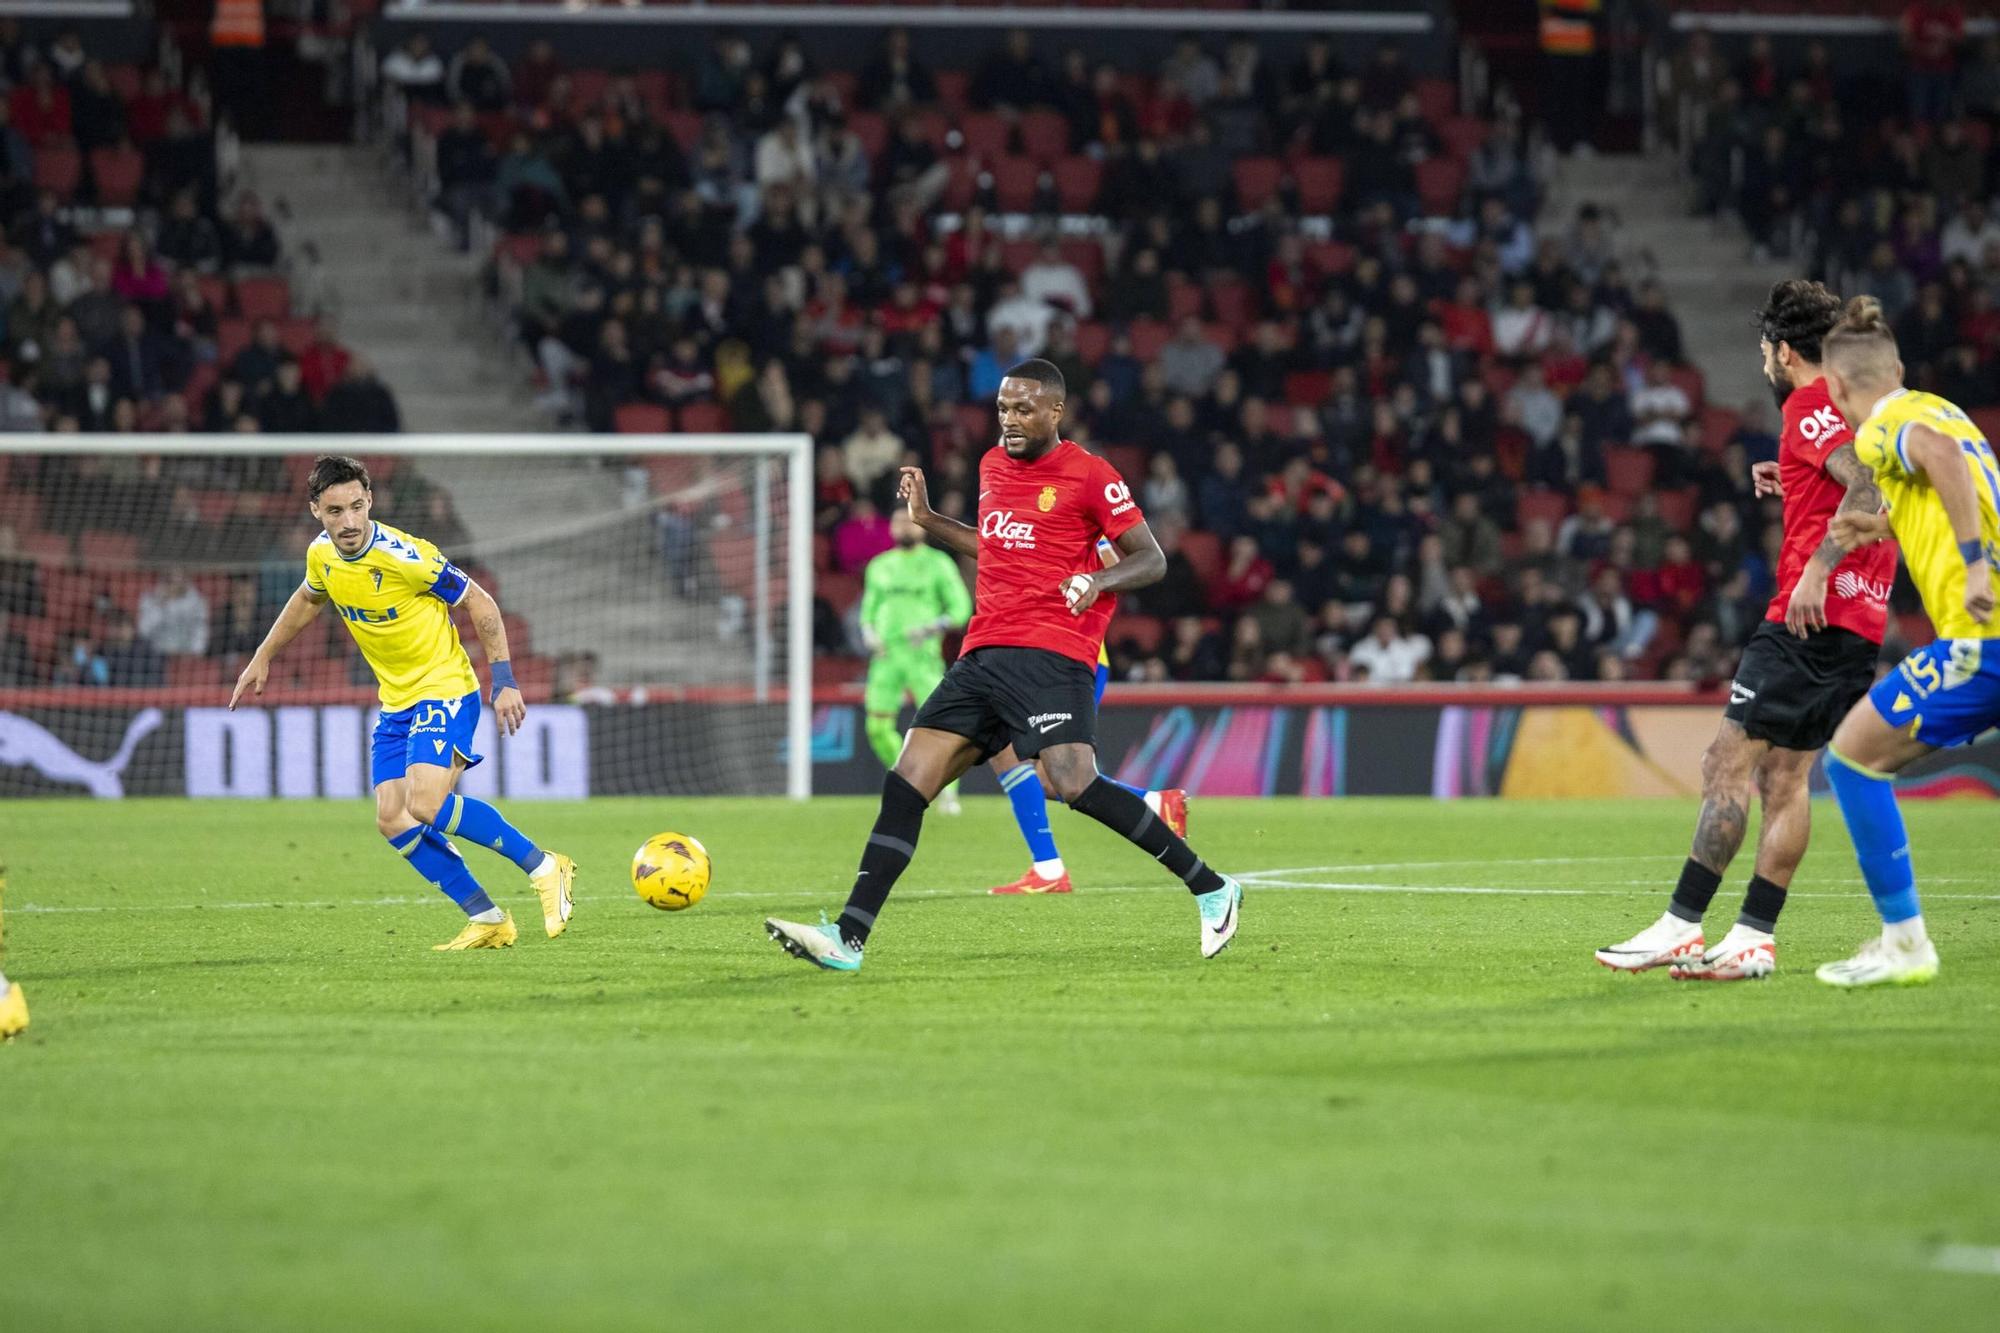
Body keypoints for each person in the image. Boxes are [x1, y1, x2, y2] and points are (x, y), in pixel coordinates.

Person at [764, 361, 1242, 971]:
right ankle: (848, 938)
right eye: (1002, 409)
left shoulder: (1090, 475)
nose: (1010, 421)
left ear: (1054, 412)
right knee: (907, 782)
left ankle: (1211, 888)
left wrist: (1096, 580)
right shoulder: (992, 465)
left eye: (1023, 410)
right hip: (982, 653)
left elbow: (1151, 560)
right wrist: (930, 521)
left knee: (1073, 783)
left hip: (1051, 651)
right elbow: (994, 543)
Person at [1597, 281, 1895, 981]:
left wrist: (1817, 570)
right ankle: (1753, 937)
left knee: (1725, 763)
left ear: (1785, 351)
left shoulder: (1808, 404)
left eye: (1767, 347)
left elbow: (1866, 490)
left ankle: (1680, 924)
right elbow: (1864, 477)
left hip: (1808, 615)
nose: (1764, 358)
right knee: (1787, 779)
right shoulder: (1853, 405)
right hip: (1861, 621)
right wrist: (1798, 482)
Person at [228, 455, 576, 951]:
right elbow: (308, 599)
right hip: (397, 702)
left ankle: (545, 865)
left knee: (426, 803)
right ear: (315, 511)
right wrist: (263, 656)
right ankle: (487, 918)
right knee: (392, 818)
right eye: (334, 511)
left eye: (355, 507)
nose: (348, 522)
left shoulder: (407, 556)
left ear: (369, 501)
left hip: (445, 688)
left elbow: (480, 601)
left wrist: (504, 681)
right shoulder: (321, 555)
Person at [1809, 297, 1998, 987]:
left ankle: (1906, 943)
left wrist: (1974, 563)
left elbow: (1941, 462)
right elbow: (1951, 469)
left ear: (1834, 388)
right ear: (1901, 368)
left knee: (1852, 759)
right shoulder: (1942, 408)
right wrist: (1884, 527)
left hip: (1983, 639)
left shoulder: (1882, 429)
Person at [986, 534, 1189, 896]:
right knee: (1043, 774)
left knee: (1008, 751)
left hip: (1072, 658)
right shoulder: (1036, 522)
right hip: (1048, 655)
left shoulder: (1079, 525)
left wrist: (1091, 580)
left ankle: (1048, 868)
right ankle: (1153, 805)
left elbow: (1116, 572)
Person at [861, 508, 974, 815]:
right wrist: (868, 633)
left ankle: (947, 792)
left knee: (939, 728)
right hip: (886, 658)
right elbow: (868, 610)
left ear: (921, 529)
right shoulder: (879, 566)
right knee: (876, 727)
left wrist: (931, 627)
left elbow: (961, 608)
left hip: (922, 657)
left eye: (907, 522)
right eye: (896, 522)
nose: (902, 527)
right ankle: (909, 778)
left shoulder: (938, 564)